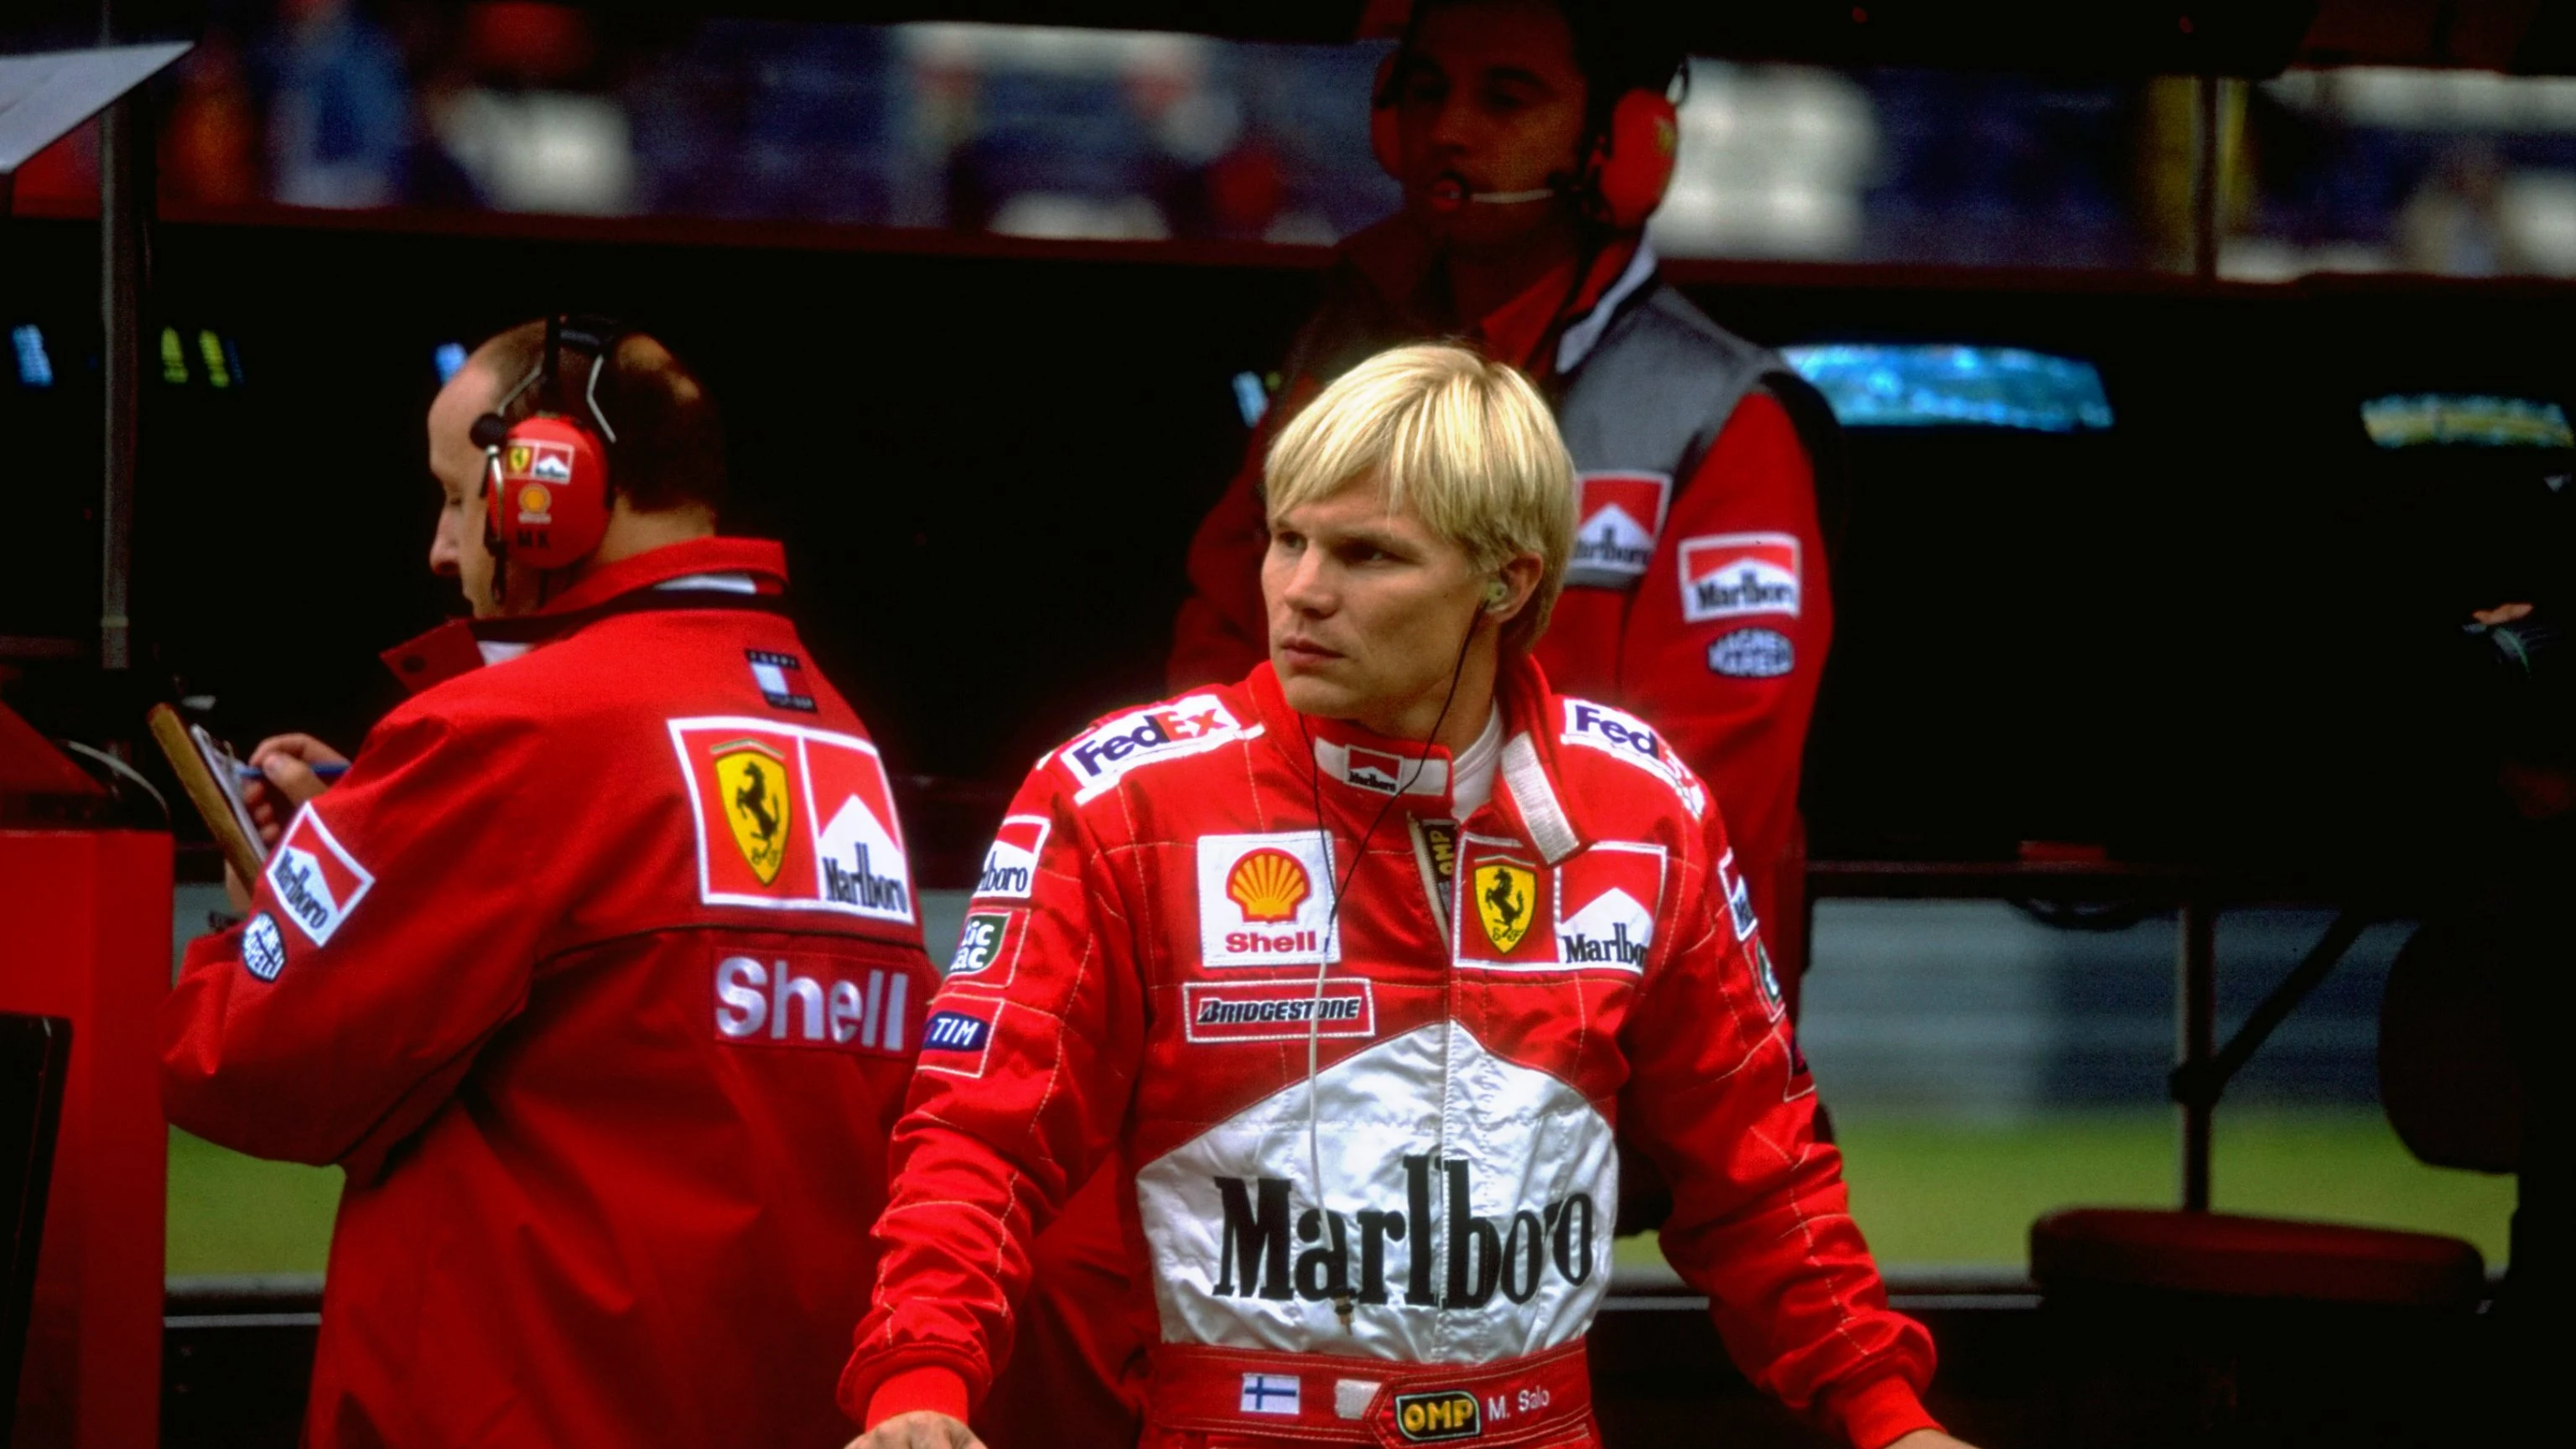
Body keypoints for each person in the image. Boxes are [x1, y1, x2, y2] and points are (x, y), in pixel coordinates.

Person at [842, 345, 1960, 1449]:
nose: (1301, 593)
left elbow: (1760, 1169)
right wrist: (920, 1382)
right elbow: (978, 1138)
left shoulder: (1643, 809)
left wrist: (1889, 1418)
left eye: (1368, 555)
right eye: (1288, 540)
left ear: (1508, 579)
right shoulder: (1121, 801)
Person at [162, 317, 942, 1449]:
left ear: (548, 486)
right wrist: (365, 835)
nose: (442, 546)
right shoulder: (829, 726)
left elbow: (249, 1059)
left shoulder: (504, 735)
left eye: (454, 495)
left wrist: (269, 905)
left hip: (535, 1407)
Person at [1170, 0, 1836, 1001]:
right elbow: (1216, 674)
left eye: (1507, 96)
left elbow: (1703, 813)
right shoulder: (1331, 367)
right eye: (1426, 91)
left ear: (1626, 141)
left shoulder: (1720, 417)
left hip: (1607, 1038)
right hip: (1319, 999)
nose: (1448, 130)